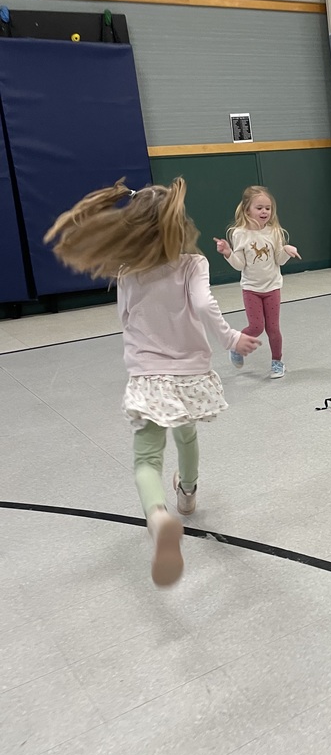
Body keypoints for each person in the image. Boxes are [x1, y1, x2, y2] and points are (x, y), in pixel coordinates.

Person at [45, 179, 259, 586]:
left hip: (147, 374)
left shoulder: (127, 271)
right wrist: (232, 338)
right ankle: (189, 493)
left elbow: (125, 318)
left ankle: (159, 517)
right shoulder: (194, 263)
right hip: (190, 371)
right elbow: (202, 303)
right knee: (187, 435)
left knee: (146, 457)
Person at [214, 186, 300, 377]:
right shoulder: (239, 234)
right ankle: (236, 346)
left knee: (273, 328)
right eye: (259, 207)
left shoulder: (275, 232)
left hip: (272, 287)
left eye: (268, 208)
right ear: (247, 210)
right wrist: (228, 253)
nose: (264, 212)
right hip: (251, 289)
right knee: (256, 327)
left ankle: (277, 362)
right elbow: (239, 265)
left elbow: (278, 260)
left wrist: (286, 251)